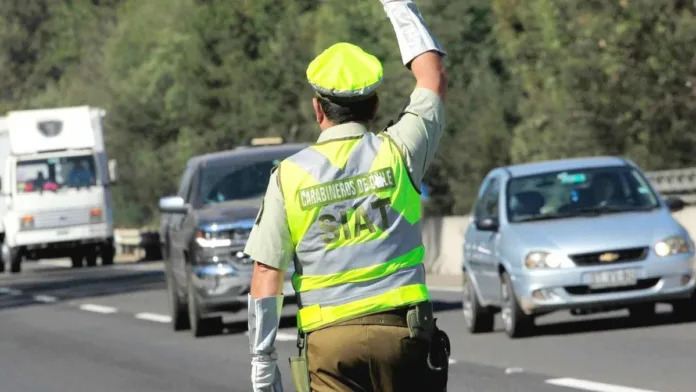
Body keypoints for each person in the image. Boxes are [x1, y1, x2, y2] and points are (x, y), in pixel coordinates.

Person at [244, 1, 449, 391]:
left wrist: (262, 362)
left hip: (329, 345)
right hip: (402, 336)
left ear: (317, 109)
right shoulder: (400, 152)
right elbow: (432, 77)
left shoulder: (289, 177)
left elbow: (266, 274)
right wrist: (398, 6)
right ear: (374, 105)